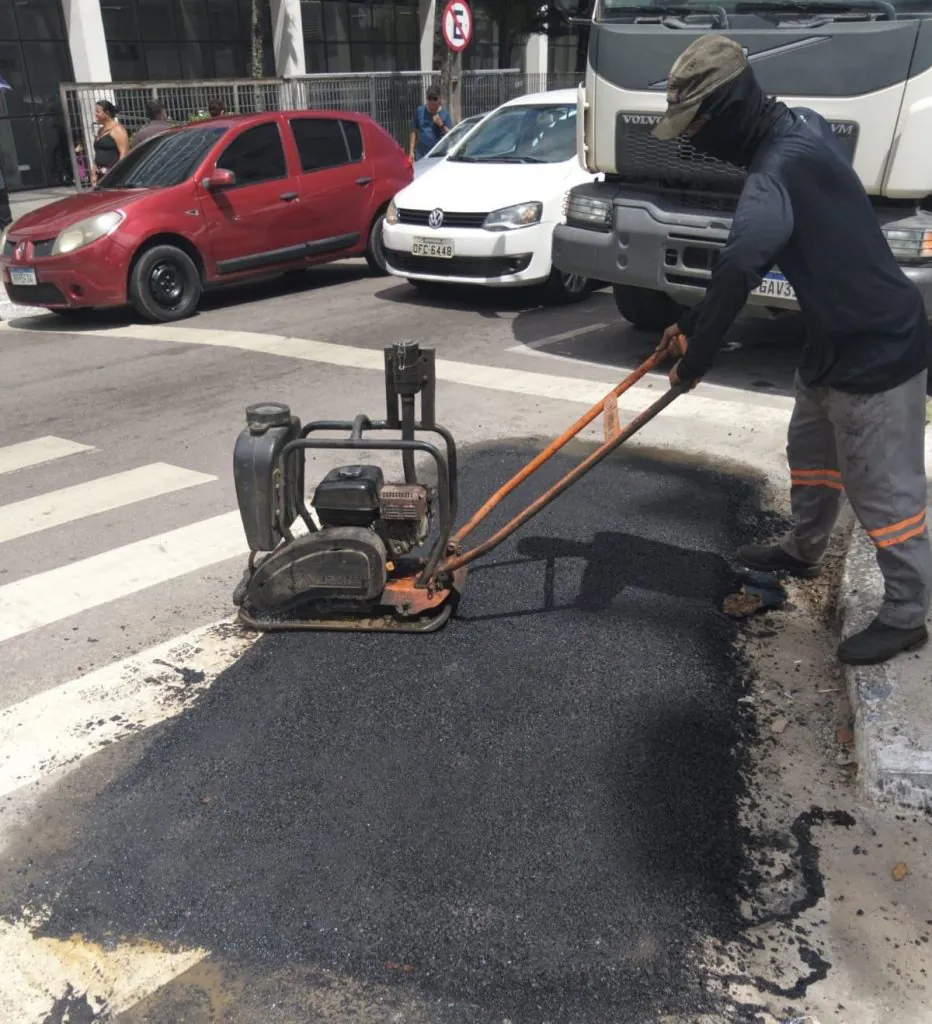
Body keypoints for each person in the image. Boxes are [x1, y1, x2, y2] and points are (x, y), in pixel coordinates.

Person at [651, 34, 932, 666]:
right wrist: (694, 318)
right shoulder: (801, 124)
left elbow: (742, 260)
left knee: (885, 496)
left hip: (878, 347)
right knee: (811, 452)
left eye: (695, 127)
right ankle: (804, 548)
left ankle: (908, 613)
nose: (692, 142)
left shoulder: (777, 166)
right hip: (831, 338)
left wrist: (698, 355)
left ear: (725, 112)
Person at [90, 100, 129, 184]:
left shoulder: (118, 130)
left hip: (112, 175)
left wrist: (114, 174)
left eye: (98, 112)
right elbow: (98, 153)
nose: (95, 114)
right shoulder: (100, 130)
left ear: (107, 113)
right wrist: (93, 173)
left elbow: (124, 154)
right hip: (100, 174)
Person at [408, 89, 453, 162]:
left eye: (434, 98)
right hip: (421, 154)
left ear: (439, 99)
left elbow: (451, 135)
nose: (432, 102)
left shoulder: (445, 114)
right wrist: (411, 151)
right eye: (429, 98)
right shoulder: (420, 110)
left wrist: (441, 124)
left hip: (438, 155)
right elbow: (413, 130)